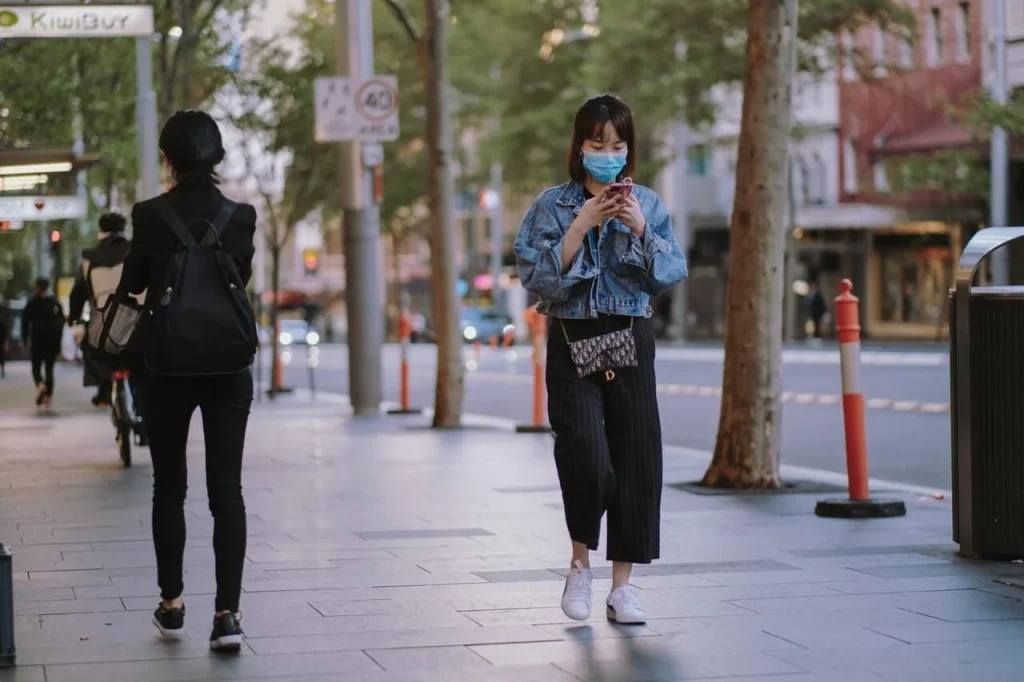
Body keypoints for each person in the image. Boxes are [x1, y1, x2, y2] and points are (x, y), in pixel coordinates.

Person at [514, 95, 687, 625]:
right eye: (597, 144)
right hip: (572, 338)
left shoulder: (650, 204)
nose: (608, 154)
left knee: (636, 461)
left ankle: (623, 587)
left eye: (617, 145)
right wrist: (579, 227)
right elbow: (535, 278)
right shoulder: (551, 205)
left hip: (630, 336)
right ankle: (579, 565)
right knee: (586, 454)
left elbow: (671, 272)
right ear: (580, 147)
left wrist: (639, 228)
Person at [115, 110, 257, 651]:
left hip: (167, 365)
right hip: (228, 365)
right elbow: (236, 278)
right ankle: (227, 616)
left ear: (167, 157)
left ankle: (172, 606)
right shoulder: (240, 216)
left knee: (168, 487)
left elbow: (133, 285)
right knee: (228, 490)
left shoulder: (149, 215)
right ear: (217, 156)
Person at [69, 212, 133, 407]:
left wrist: (73, 317)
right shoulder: (134, 250)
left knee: (92, 348)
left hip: (102, 321)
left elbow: (78, 293)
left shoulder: (89, 258)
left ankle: (104, 389)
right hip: (134, 319)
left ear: (102, 230)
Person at [21, 278, 65, 409]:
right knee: (49, 369)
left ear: (37, 287)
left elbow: (25, 323)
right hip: (51, 342)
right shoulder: (54, 303)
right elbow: (61, 321)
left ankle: (40, 385)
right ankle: (48, 399)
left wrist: (25, 339)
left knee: (36, 367)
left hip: (37, 340)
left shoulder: (32, 303)